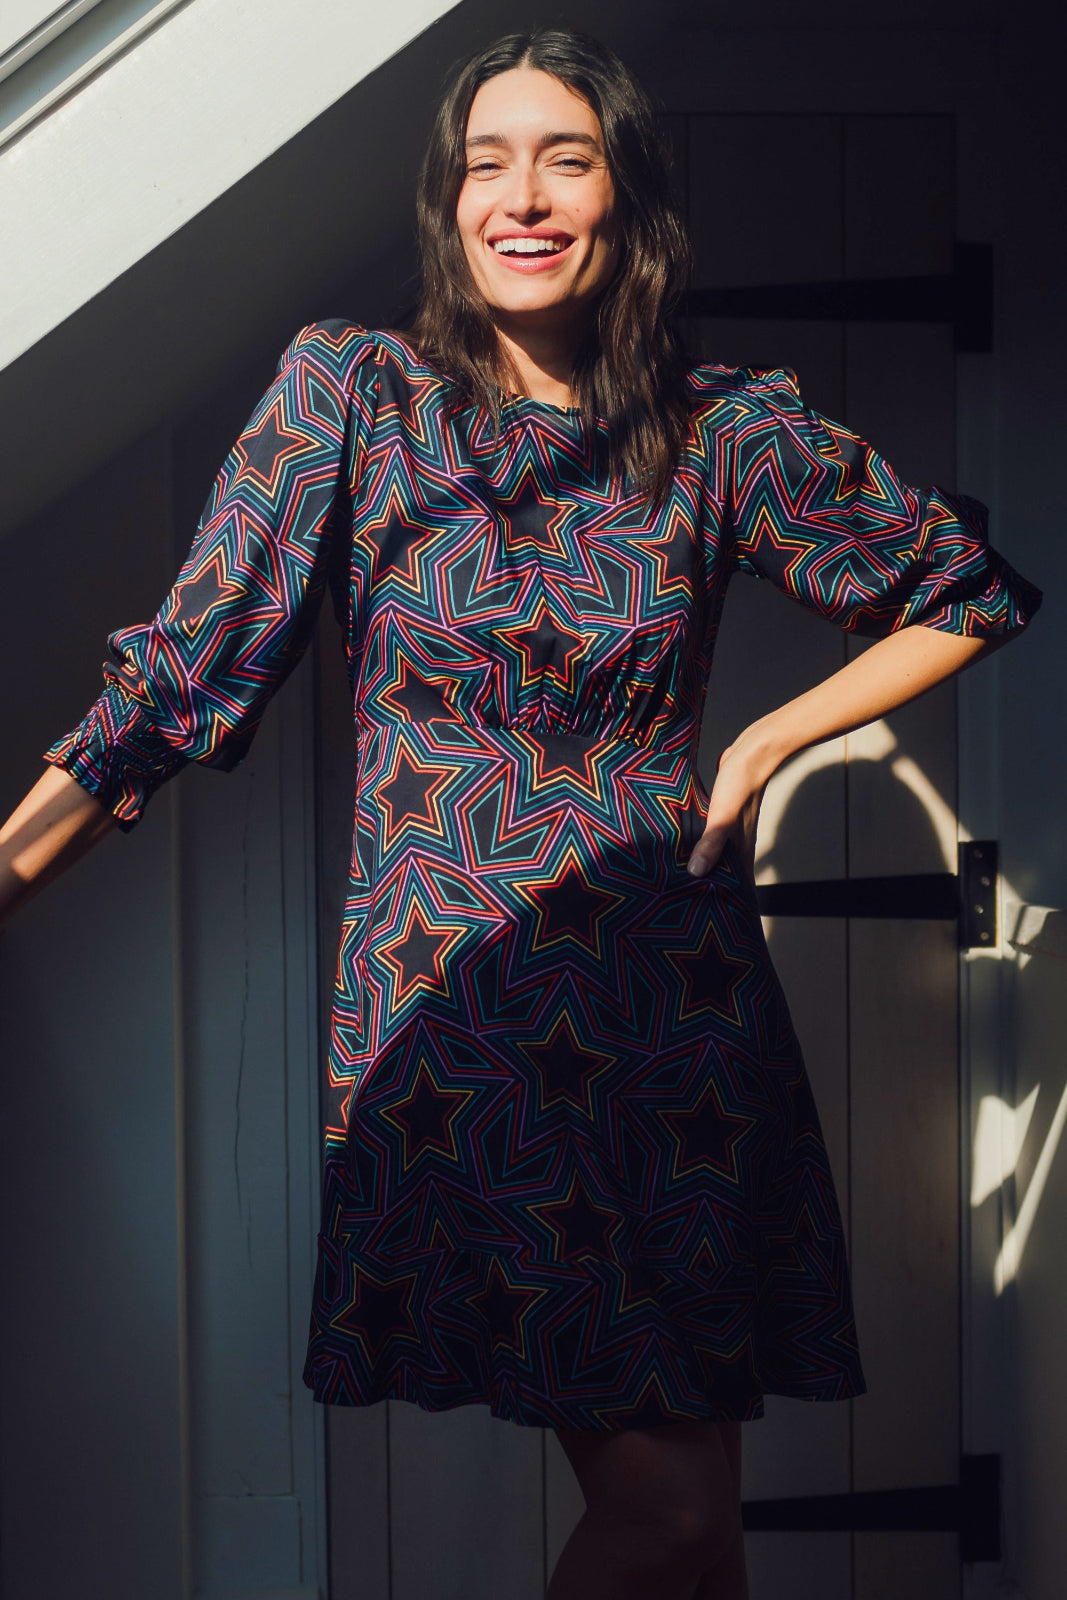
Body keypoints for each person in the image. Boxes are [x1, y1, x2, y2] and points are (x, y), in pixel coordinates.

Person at [0, 26, 1042, 1600]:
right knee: (674, 1513)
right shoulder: (353, 395)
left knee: (701, 1540)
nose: (524, 195)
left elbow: (964, 592)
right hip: (469, 1022)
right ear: (447, 203)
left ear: (627, 201)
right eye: (487, 163)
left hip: (675, 1022)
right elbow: (168, 685)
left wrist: (762, 742)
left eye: (566, 157)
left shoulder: (722, 434)